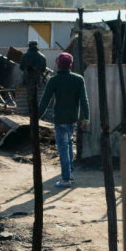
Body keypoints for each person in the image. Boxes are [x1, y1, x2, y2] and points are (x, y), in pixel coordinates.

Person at [38, 52, 89, 188]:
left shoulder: (54, 80)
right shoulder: (78, 79)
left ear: (58, 64)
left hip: (60, 120)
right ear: (70, 65)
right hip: (73, 119)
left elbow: (44, 101)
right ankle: (70, 174)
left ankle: (65, 179)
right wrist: (86, 118)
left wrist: (36, 117)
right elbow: (84, 100)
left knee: (63, 149)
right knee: (69, 145)